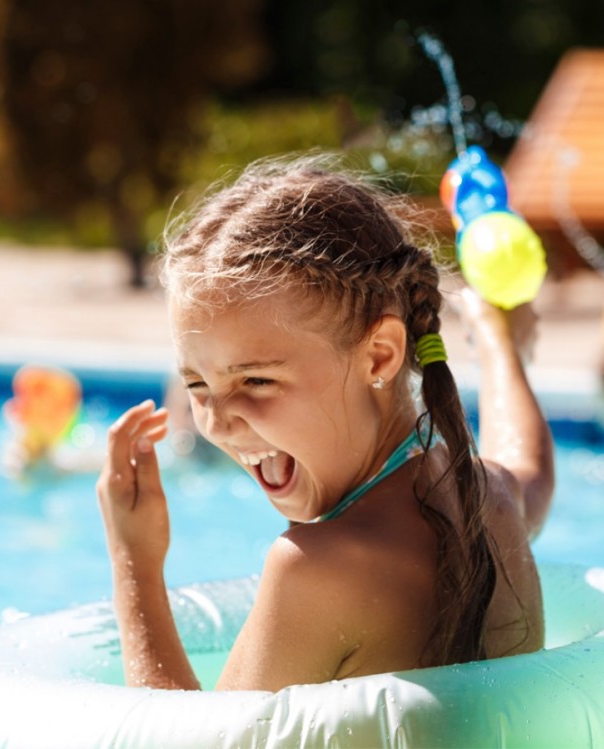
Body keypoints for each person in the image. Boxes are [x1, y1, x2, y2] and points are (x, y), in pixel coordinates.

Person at [96, 154, 554, 691]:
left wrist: (136, 566)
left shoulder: (315, 570)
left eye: (256, 381)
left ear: (381, 356)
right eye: (197, 386)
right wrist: (501, 341)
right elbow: (529, 468)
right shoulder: (486, 498)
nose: (215, 424)